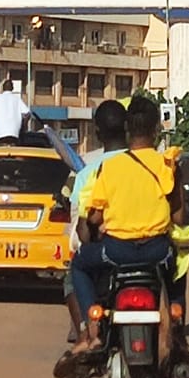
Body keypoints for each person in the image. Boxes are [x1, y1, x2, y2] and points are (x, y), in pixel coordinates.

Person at [59, 97, 189, 378]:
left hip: (116, 253)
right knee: (178, 272)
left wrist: (93, 226)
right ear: (155, 131)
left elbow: (95, 218)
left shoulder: (109, 168)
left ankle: (91, 332)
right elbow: (178, 218)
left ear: (127, 131)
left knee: (78, 265)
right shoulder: (167, 164)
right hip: (157, 253)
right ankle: (178, 333)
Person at [62, 99, 130, 339]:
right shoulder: (147, 165)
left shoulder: (86, 173)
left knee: (73, 274)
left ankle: (86, 333)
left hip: (105, 252)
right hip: (151, 251)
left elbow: (79, 236)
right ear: (127, 128)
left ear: (97, 133)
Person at [0, 79, 31, 146]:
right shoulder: (17, 99)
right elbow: (28, 114)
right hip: (14, 136)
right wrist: (23, 127)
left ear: (2, 87)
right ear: (12, 88)